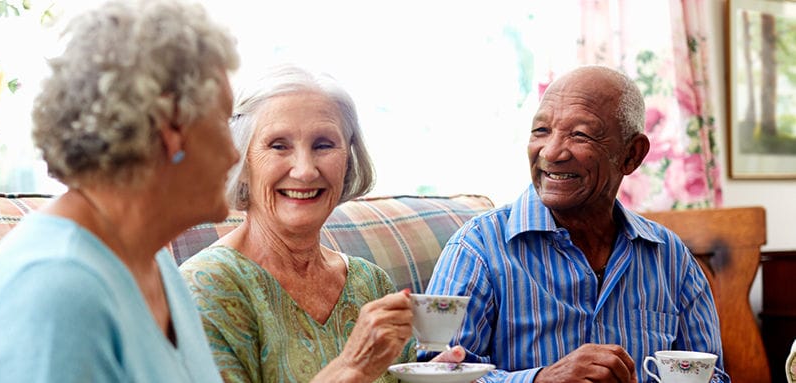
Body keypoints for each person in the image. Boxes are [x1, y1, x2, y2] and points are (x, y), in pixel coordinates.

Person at [0, 0, 240, 381]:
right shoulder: (56, 299)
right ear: (171, 125)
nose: (234, 153)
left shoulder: (156, 267)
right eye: (224, 120)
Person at [422, 65, 729, 382]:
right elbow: (435, 375)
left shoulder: (670, 258)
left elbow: (713, 376)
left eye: (579, 134)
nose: (551, 152)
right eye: (541, 131)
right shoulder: (478, 248)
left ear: (631, 155)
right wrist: (541, 380)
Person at [179, 65, 464, 383]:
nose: (305, 171)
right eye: (279, 145)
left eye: (323, 145)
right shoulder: (204, 287)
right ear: (241, 162)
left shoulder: (371, 283)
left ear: (348, 161)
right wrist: (351, 367)